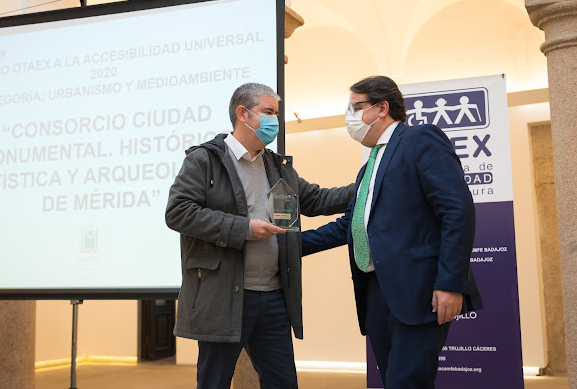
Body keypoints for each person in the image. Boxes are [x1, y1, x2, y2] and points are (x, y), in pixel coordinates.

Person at [165, 82, 354, 388]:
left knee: (282, 382)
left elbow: (317, 200)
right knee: (214, 382)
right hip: (224, 297)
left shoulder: (277, 166)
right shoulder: (204, 161)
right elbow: (178, 212)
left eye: (276, 114)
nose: (274, 122)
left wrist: (368, 184)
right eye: (268, 112)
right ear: (243, 114)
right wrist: (244, 229)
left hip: (274, 297)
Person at [302, 76, 482, 389]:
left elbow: (457, 210)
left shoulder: (420, 139)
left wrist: (450, 283)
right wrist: (286, 244)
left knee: (407, 382)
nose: (350, 117)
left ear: (382, 108)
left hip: (421, 290)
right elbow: (352, 224)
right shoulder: (369, 164)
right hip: (377, 290)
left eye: (355, 107)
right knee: (393, 381)